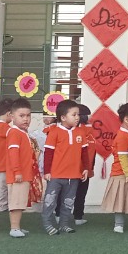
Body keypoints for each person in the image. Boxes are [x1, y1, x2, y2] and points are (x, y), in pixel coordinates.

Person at [41, 99, 90, 236]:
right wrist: (47, 171)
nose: (77, 117)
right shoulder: (54, 132)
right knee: (50, 201)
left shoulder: (81, 132)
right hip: (55, 175)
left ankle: (64, 224)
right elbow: (48, 153)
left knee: (68, 202)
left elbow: (84, 153)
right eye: (74, 115)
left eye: (78, 114)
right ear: (63, 118)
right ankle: (47, 223)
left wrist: (86, 168)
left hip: (73, 175)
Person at [100, 102, 128, 234]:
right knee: (119, 200)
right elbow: (123, 157)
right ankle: (119, 224)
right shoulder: (122, 136)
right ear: (127, 120)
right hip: (121, 174)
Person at [2, 99, 38, 238]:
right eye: (21, 116)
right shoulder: (14, 132)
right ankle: (14, 228)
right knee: (16, 202)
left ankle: (17, 226)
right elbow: (13, 153)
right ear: (12, 116)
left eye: (28, 115)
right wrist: (17, 171)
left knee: (21, 201)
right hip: (18, 175)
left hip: (24, 174)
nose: (26, 119)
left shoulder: (23, 132)